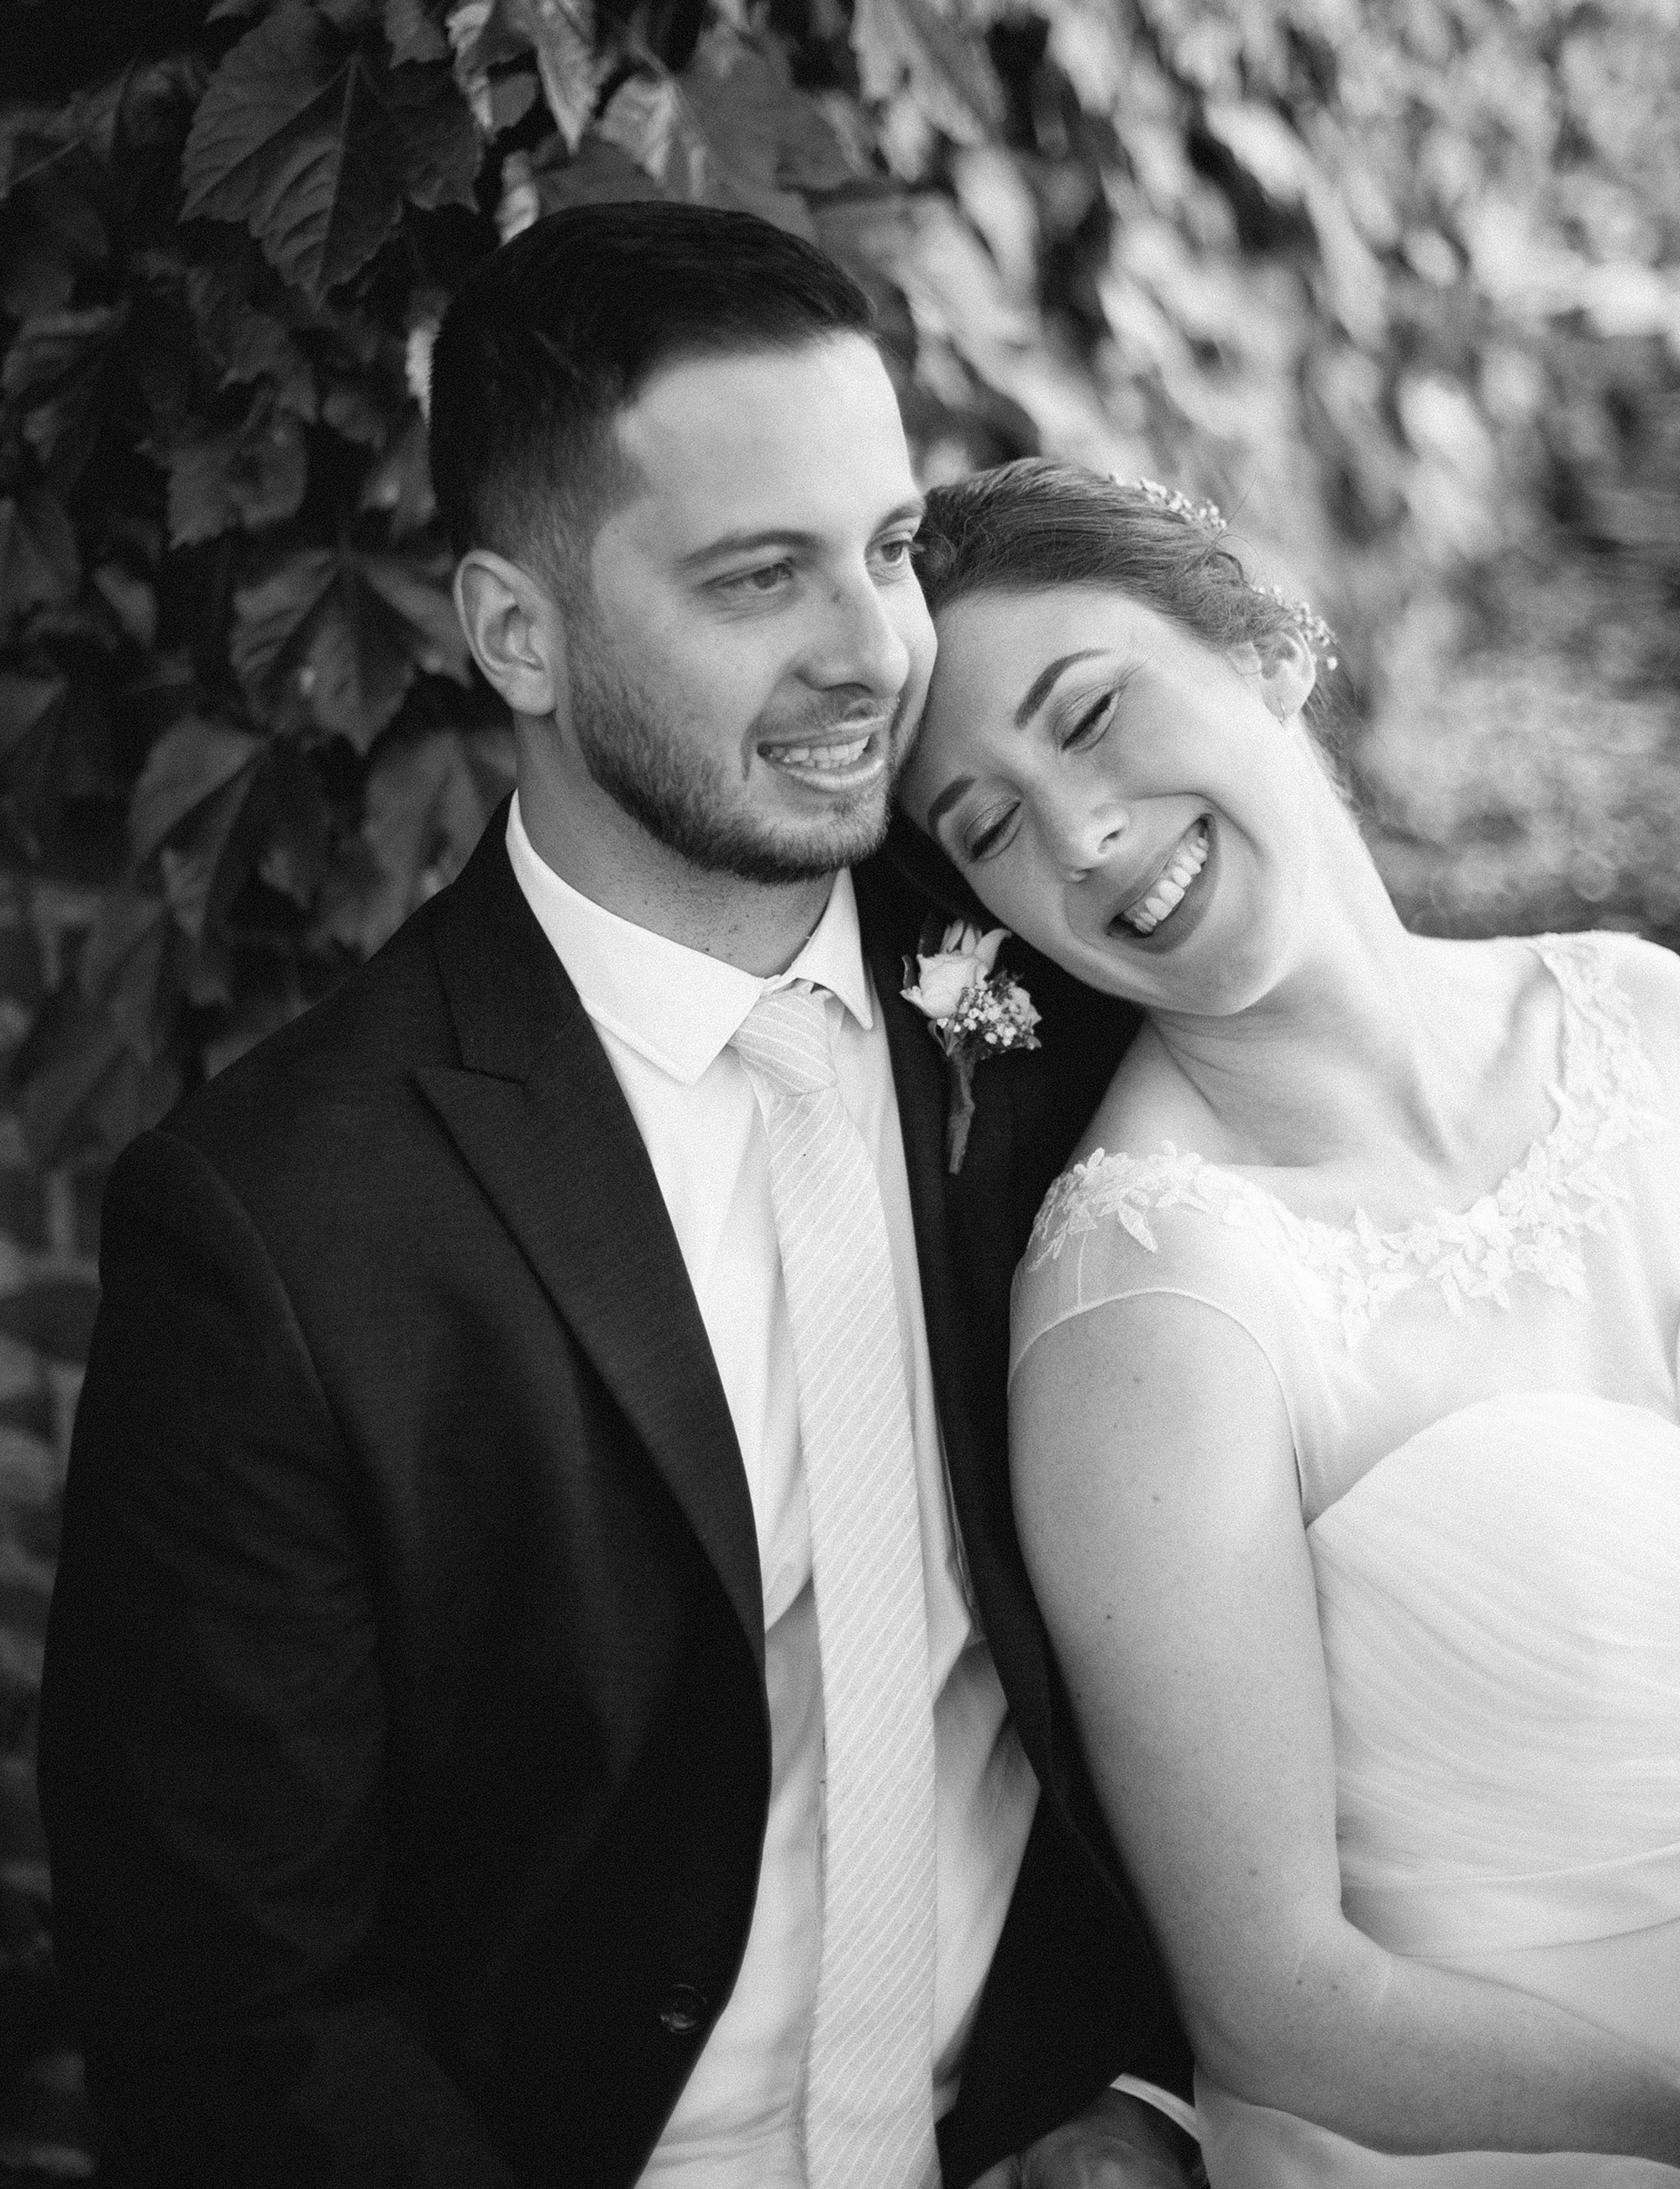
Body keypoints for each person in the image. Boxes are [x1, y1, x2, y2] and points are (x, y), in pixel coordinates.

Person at [38, 212, 1202, 2188]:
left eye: (892, 547)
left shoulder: (1058, 997)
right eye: (760, 579)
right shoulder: (278, 1235)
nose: (874, 654)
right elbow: (232, 2002)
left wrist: (1155, 2099)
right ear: (516, 633)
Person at [896, 457, 1680, 2186]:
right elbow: (1278, 1996)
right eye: (991, 824)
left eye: (1088, 716)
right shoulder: (1150, 1295)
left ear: (1257, 643)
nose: (1082, 835)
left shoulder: (1639, 1018)